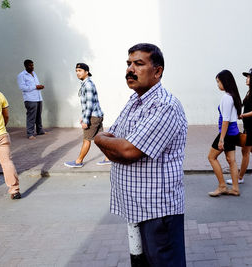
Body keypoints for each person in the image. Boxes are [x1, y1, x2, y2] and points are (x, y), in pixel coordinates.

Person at [94, 43, 187, 266]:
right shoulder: (134, 102)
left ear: (157, 71)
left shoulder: (164, 106)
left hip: (158, 211)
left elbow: (128, 150)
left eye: (138, 64)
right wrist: (114, 146)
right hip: (136, 207)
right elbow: (117, 143)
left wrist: (98, 139)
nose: (130, 69)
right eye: (128, 64)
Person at [64, 63, 110, 168]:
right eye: (76, 71)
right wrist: (83, 116)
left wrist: (86, 120)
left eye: (80, 71)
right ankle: (109, 158)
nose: (77, 73)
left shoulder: (88, 84)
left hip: (93, 117)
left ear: (86, 72)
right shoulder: (86, 84)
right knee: (99, 139)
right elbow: (88, 104)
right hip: (96, 115)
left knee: (86, 139)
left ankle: (78, 161)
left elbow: (89, 104)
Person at [208, 70, 242, 197]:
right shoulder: (233, 96)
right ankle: (235, 188)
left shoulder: (226, 98)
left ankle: (222, 186)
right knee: (231, 160)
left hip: (227, 133)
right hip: (234, 132)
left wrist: (221, 139)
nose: (217, 84)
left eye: (218, 81)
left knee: (211, 157)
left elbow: (226, 120)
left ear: (225, 82)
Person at [0, 88, 21, 199]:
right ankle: (15, 190)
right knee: (7, 162)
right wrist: (2, 127)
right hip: (0, 136)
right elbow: (6, 116)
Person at [17, 59, 46, 140]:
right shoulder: (21, 75)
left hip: (38, 98)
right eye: (30, 65)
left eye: (32, 65)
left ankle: (40, 131)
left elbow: (35, 85)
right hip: (30, 99)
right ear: (25, 66)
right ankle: (30, 134)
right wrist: (36, 87)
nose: (32, 67)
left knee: (38, 116)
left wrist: (39, 86)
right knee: (31, 117)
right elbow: (22, 88)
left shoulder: (34, 73)